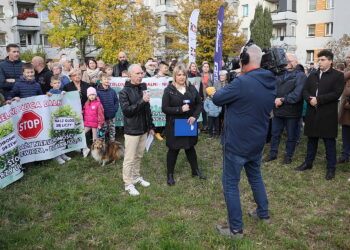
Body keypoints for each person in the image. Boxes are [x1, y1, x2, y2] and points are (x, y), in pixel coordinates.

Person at [213, 43, 277, 238]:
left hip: (237, 143)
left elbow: (217, 98)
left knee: (231, 184)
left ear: (245, 61)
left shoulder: (241, 82)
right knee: (255, 177)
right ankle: (263, 214)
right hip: (257, 141)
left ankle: (236, 229)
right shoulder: (270, 80)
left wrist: (238, 78)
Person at [295, 50, 344, 180]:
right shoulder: (313, 74)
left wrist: (319, 99)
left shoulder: (338, 75)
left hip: (327, 114)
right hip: (312, 112)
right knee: (312, 139)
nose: (319, 62)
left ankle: (331, 168)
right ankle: (308, 162)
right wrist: (309, 99)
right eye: (319, 60)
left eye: (322, 60)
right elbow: (305, 90)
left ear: (330, 61)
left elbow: (336, 93)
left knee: (329, 142)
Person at [162, 64, 205, 186]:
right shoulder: (169, 90)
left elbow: (199, 104)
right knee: (173, 149)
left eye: (183, 75)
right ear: (174, 76)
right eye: (179, 75)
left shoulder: (191, 88)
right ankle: (170, 174)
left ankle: (195, 171)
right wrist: (179, 109)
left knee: (190, 147)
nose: (181, 77)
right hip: (174, 124)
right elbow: (164, 108)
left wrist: (194, 116)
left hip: (188, 122)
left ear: (186, 76)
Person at [263, 53, 307, 164]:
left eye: (290, 60)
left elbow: (297, 94)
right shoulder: (280, 74)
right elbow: (273, 89)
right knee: (275, 133)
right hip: (278, 110)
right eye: (286, 60)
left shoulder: (300, 76)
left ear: (296, 62)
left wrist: (282, 100)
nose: (287, 63)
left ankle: (288, 156)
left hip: (292, 111)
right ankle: (273, 154)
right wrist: (274, 99)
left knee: (291, 135)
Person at [119, 64, 155, 196]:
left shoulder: (143, 88)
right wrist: (142, 101)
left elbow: (147, 109)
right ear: (130, 75)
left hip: (143, 129)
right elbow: (127, 111)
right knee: (129, 158)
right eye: (138, 73)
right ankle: (128, 184)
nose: (141, 76)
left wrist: (151, 126)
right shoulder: (124, 92)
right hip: (132, 130)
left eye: (142, 73)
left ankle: (136, 176)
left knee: (139, 156)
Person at [47, 76, 71, 164]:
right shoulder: (49, 93)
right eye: (55, 83)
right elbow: (46, 99)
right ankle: (56, 156)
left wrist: (63, 93)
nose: (57, 84)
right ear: (51, 84)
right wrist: (47, 94)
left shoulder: (61, 92)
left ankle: (62, 153)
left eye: (58, 83)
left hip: (61, 118)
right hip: (53, 118)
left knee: (62, 136)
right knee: (55, 137)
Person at [82, 87, 105, 158]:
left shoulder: (98, 104)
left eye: (93, 94)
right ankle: (85, 148)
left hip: (95, 125)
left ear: (95, 95)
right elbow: (84, 111)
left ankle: (96, 151)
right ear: (88, 96)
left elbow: (101, 115)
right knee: (82, 134)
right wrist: (82, 112)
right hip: (88, 123)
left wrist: (100, 124)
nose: (91, 96)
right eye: (90, 95)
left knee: (95, 139)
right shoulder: (86, 103)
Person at [96, 73, 119, 143]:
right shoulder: (98, 92)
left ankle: (112, 145)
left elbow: (116, 101)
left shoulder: (112, 91)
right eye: (105, 79)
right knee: (102, 132)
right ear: (101, 81)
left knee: (112, 131)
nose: (107, 80)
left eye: (108, 79)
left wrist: (115, 109)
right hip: (103, 117)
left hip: (112, 115)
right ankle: (101, 145)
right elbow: (96, 104)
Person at [338, 69, 350, 163]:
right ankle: (345, 155)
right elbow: (341, 78)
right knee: (345, 133)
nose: (348, 59)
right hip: (346, 109)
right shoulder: (347, 70)